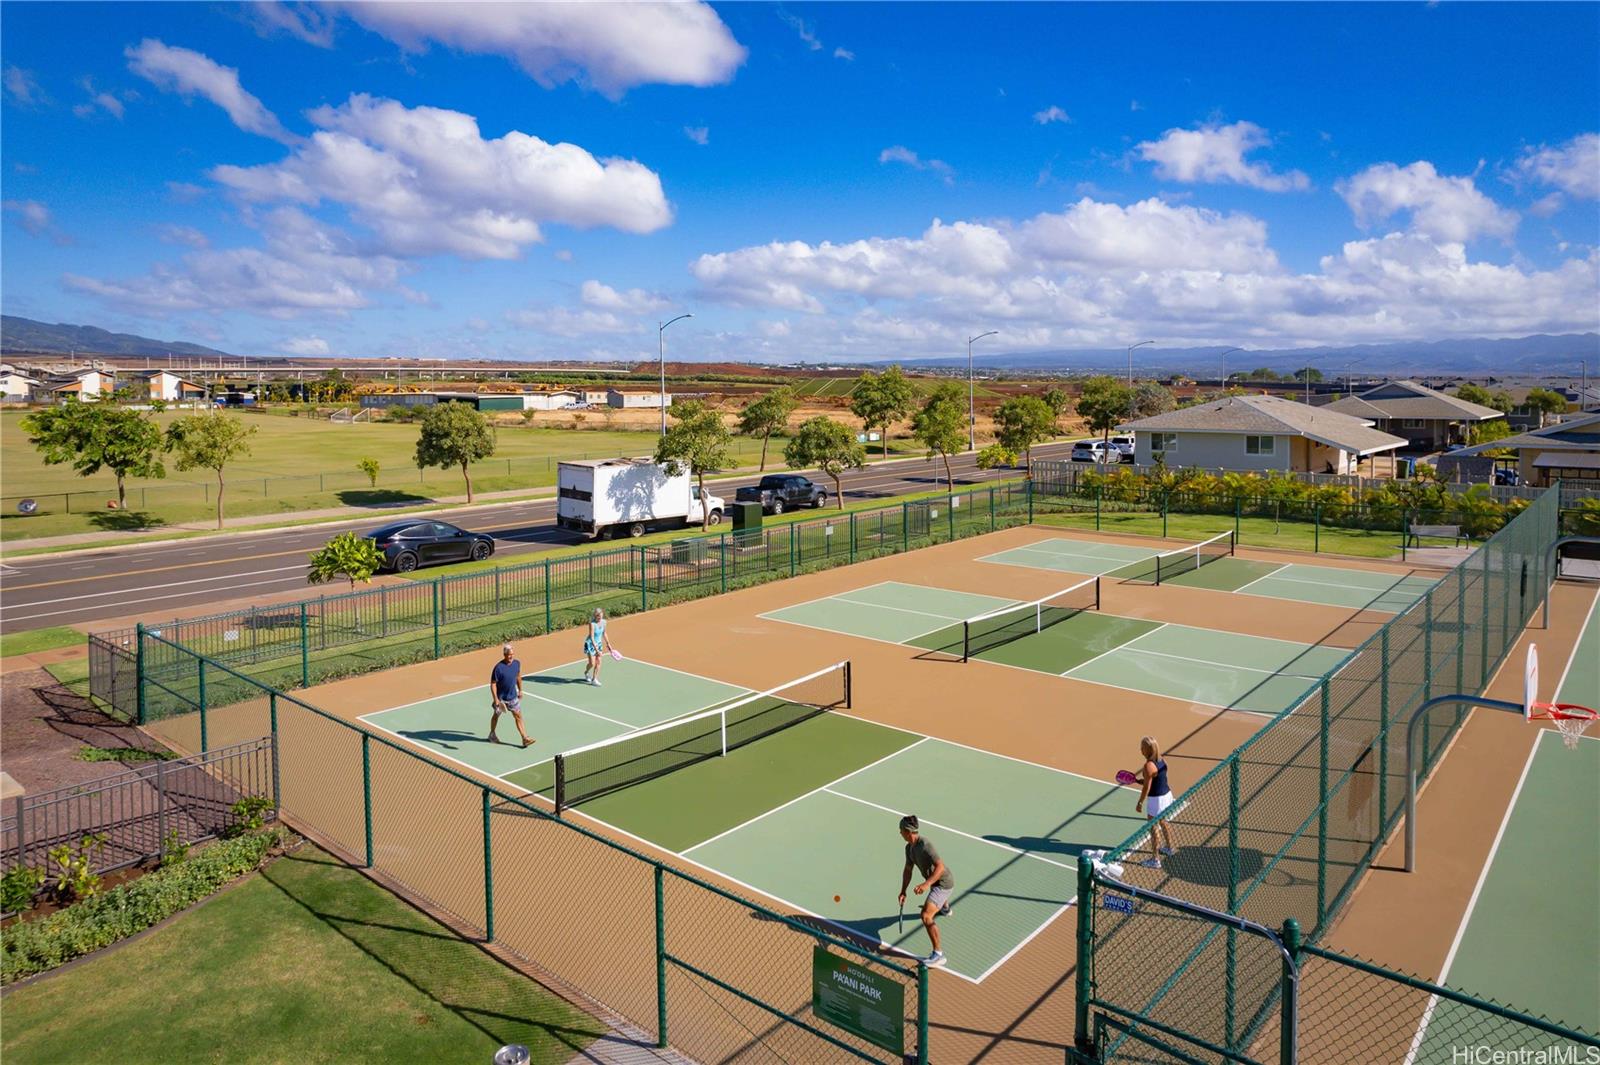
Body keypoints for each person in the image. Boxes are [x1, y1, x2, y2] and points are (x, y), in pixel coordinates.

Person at [897, 814, 954, 967]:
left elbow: (940, 867)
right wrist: (903, 891)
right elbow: (908, 870)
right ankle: (945, 908)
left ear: (908, 831)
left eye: (901, 830)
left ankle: (938, 955)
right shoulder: (909, 848)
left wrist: (926, 884)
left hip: (943, 883)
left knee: (926, 915)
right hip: (935, 882)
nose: (899, 832)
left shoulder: (925, 845)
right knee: (934, 904)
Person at [1135, 735, 1176, 869]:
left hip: (1156, 799)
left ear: (1147, 749)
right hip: (1167, 795)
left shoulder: (1148, 766)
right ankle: (1170, 848)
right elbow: (1156, 779)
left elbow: (1147, 787)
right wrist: (1143, 781)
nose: (1140, 750)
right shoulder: (1161, 759)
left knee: (1153, 827)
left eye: (1142, 748)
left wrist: (1140, 802)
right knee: (1163, 821)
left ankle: (1155, 859)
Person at [488, 644, 534, 748]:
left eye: (512, 654)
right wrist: (495, 699)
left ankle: (524, 738)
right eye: (509, 655)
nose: (511, 657)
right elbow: (493, 684)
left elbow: (518, 676)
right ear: (504, 655)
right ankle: (492, 734)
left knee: (518, 716)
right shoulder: (498, 668)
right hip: (500, 699)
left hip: (513, 697)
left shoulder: (517, 664)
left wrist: (520, 690)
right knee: (496, 716)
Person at [583, 608, 613, 686]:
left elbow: (604, 633)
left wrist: (608, 643)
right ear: (595, 616)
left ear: (602, 614)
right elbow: (592, 637)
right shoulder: (592, 624)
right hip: (590, 644)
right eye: (597, 616)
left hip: (598, 643)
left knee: (599, 661)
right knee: (592, 663)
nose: (599, 617)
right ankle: (586, 672)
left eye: (600, 615)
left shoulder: (604, 622)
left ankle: (594, 679)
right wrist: (596, 650)